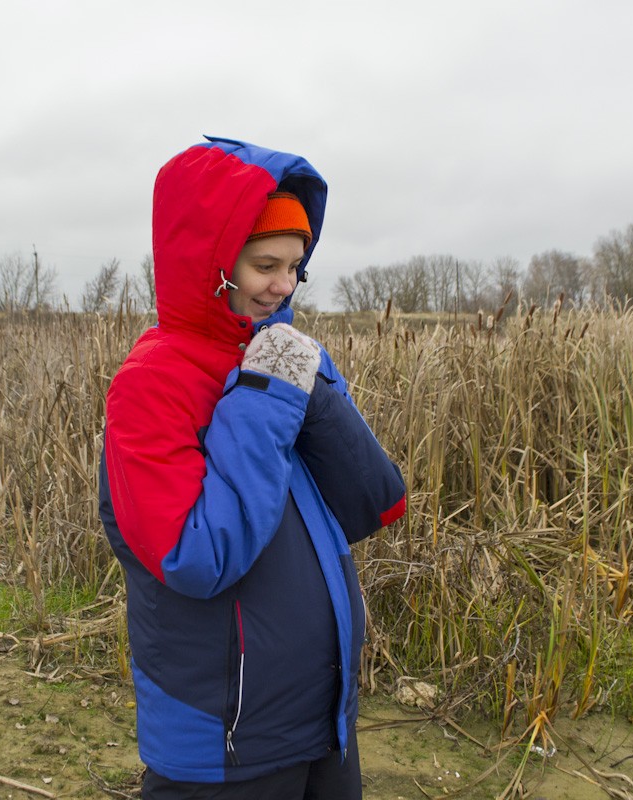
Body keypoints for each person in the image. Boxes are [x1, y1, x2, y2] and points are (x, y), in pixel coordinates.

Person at [99, 135, 406, 799]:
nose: (284, 285)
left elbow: (374, 503)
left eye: (296, 266)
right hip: (226, 746)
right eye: (266, 263)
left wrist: (310, 386)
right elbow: (198, 557)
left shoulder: (280, 358)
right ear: (210, 262)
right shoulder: (152, 386)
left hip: (323, 723)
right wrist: (265, 399)